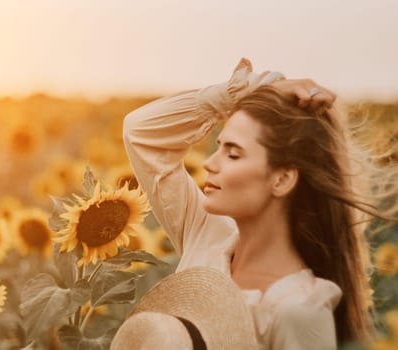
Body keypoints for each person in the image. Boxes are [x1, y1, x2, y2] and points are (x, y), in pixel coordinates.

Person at [122, 58, 397, 349]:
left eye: (233, 153)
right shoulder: (207, 237)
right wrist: (241, 93)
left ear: (282, 179)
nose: (208, 164)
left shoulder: (298, 309)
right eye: (219, 147)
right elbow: (140, 132)